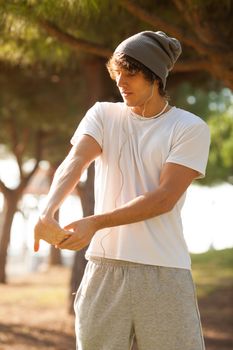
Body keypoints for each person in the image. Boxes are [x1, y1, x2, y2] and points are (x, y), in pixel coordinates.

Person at [36, 31, 210, 350]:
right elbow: (75, 161)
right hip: (103, 270)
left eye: (130, 74)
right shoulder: (103, 115)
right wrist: (47, 211)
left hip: (164, 273)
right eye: (117, 75)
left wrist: (96, 222)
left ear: (156, 76)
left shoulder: (189, 128)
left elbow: (164, 198)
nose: (121, 83)